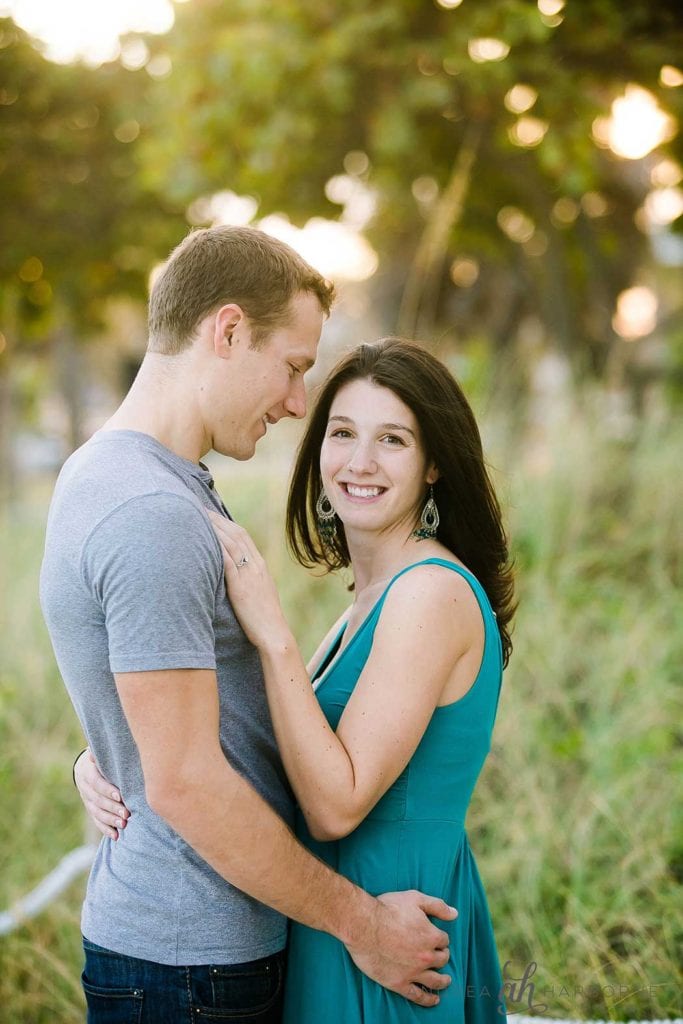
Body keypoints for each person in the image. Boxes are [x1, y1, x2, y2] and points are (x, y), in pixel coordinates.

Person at [40, 228, 458, 1024]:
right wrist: (362, 924)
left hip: (176, 955)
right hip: (195, 967)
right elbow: (186, 782)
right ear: (227, 331)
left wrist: (104, 753)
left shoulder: (107, 472)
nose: (297, 402)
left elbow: (140, 692)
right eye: (294, 366)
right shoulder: (153, 511)